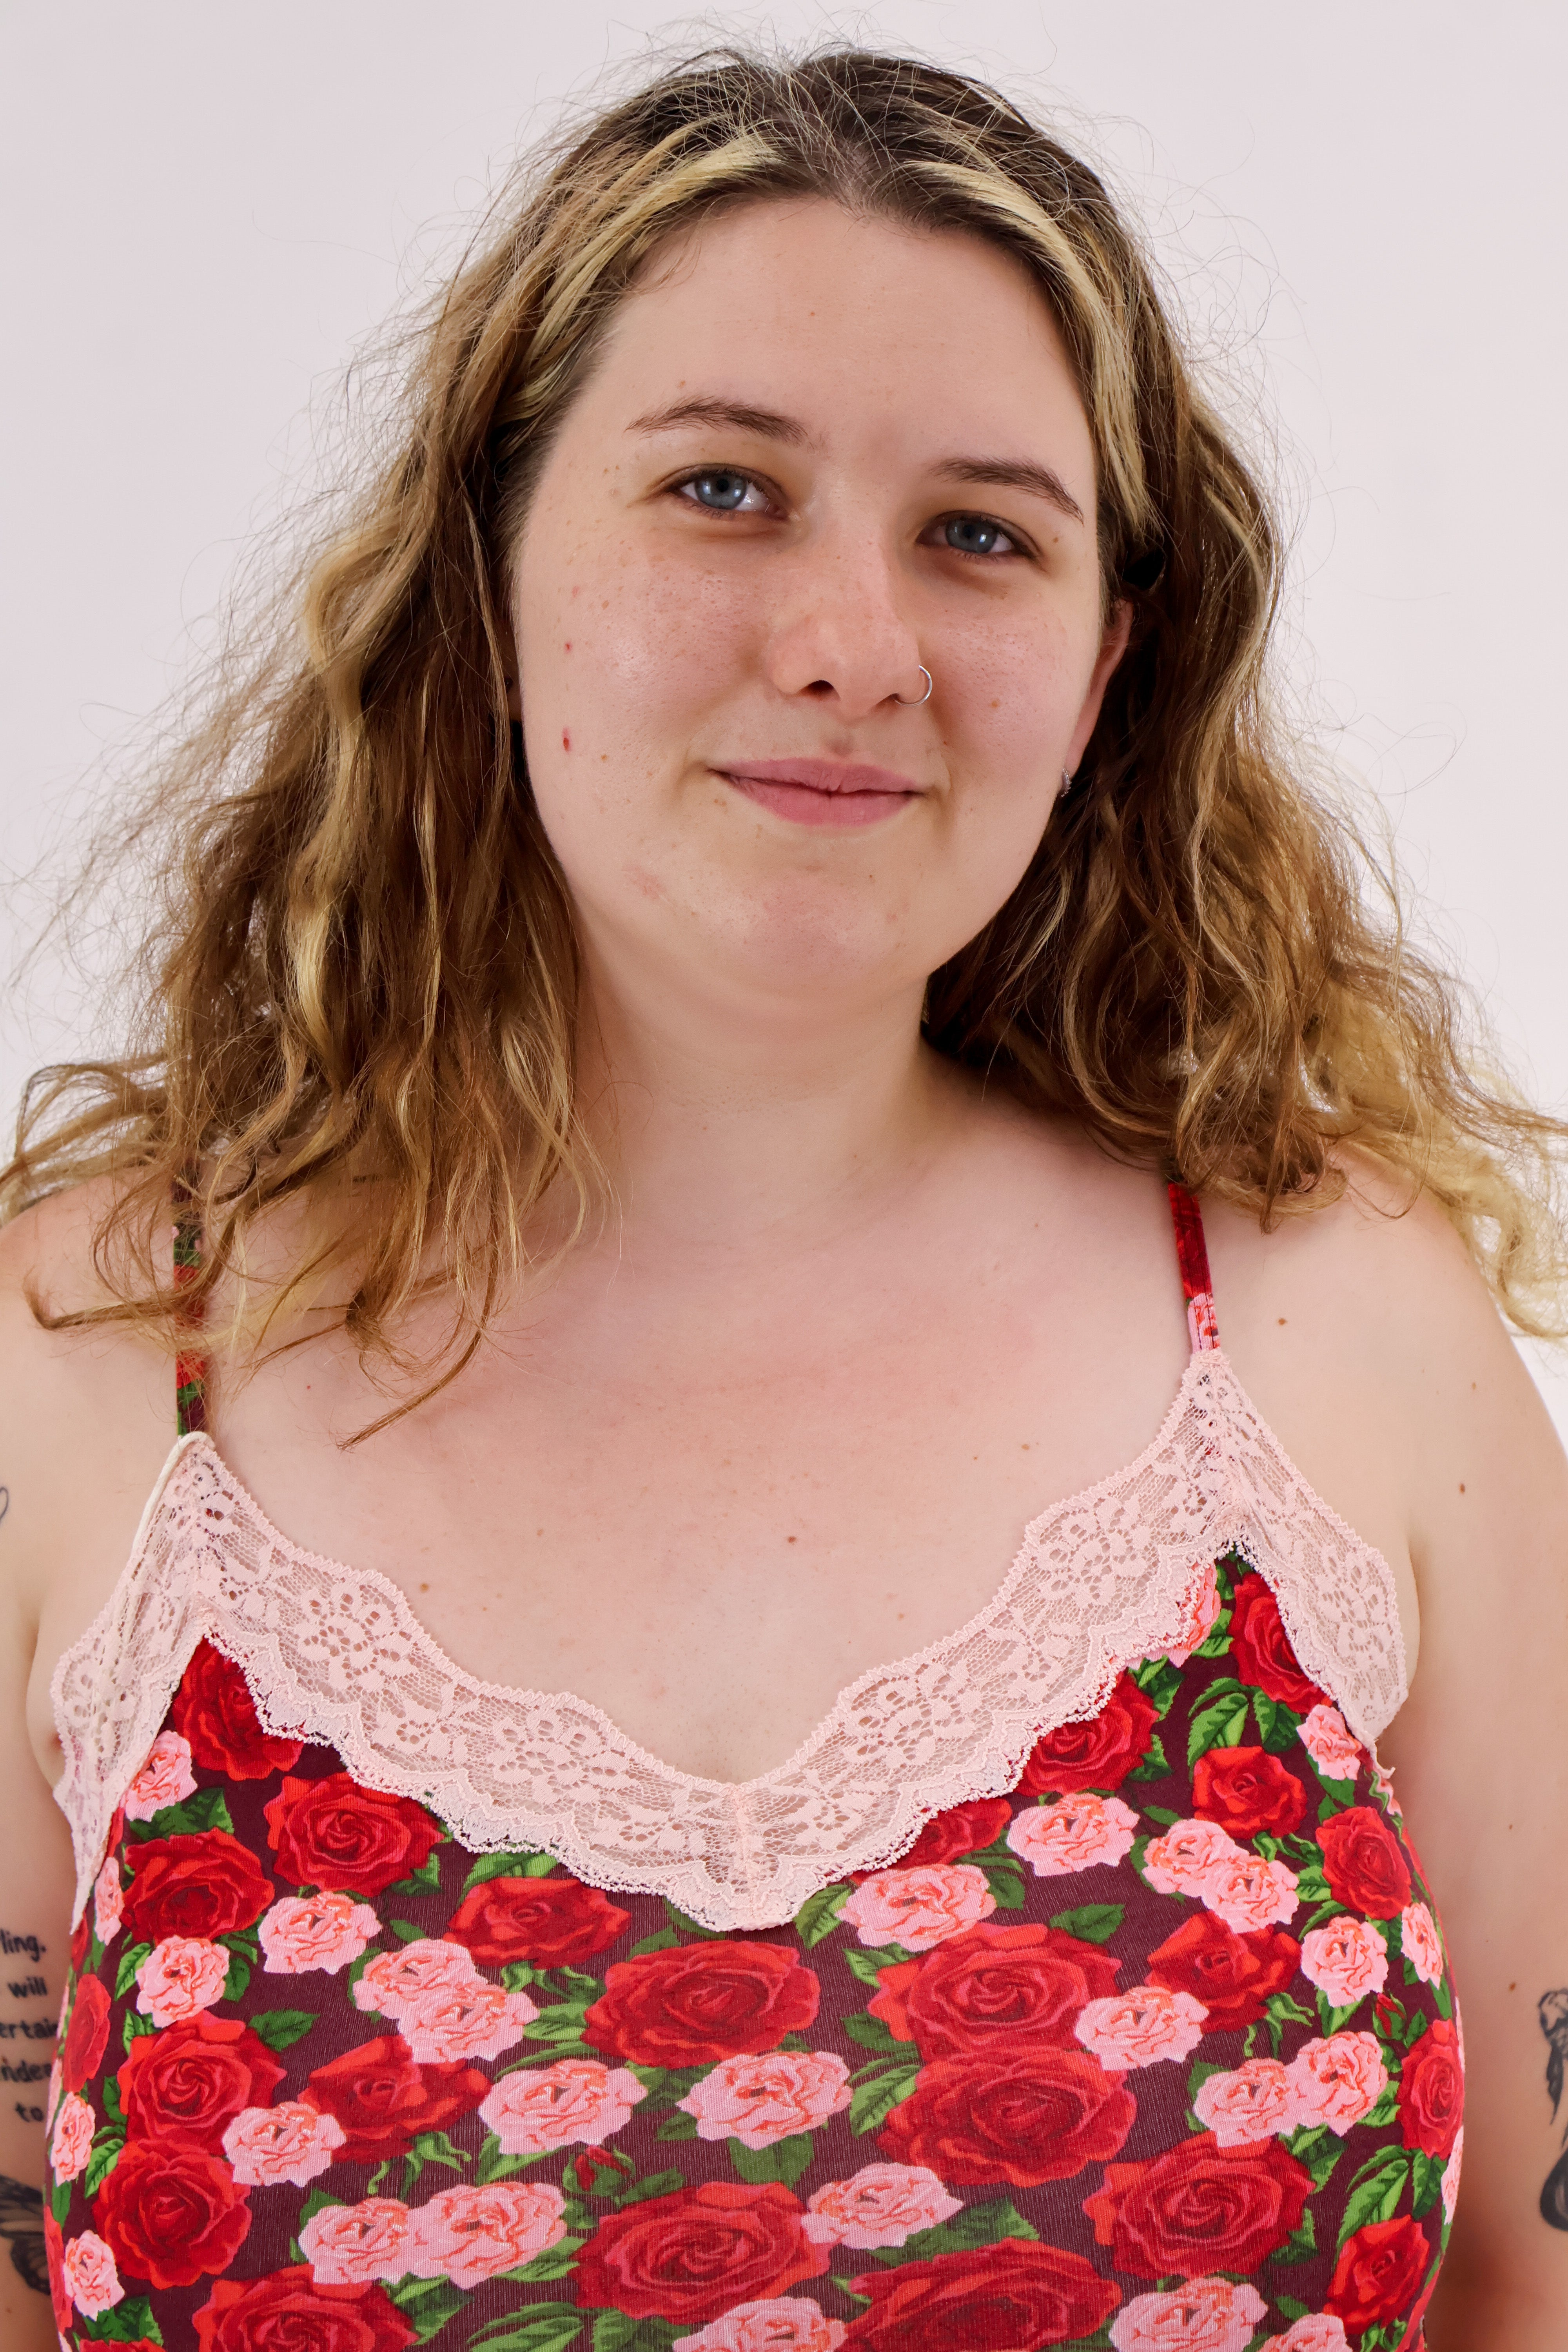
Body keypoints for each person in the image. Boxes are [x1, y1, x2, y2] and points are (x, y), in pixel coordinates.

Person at [0, 45, 1562, 2351]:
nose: (851, 645)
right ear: (487, 571)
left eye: (981, 533)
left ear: (1104, 669)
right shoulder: (97, 1365)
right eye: (723, 489)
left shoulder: (1341, 1332)